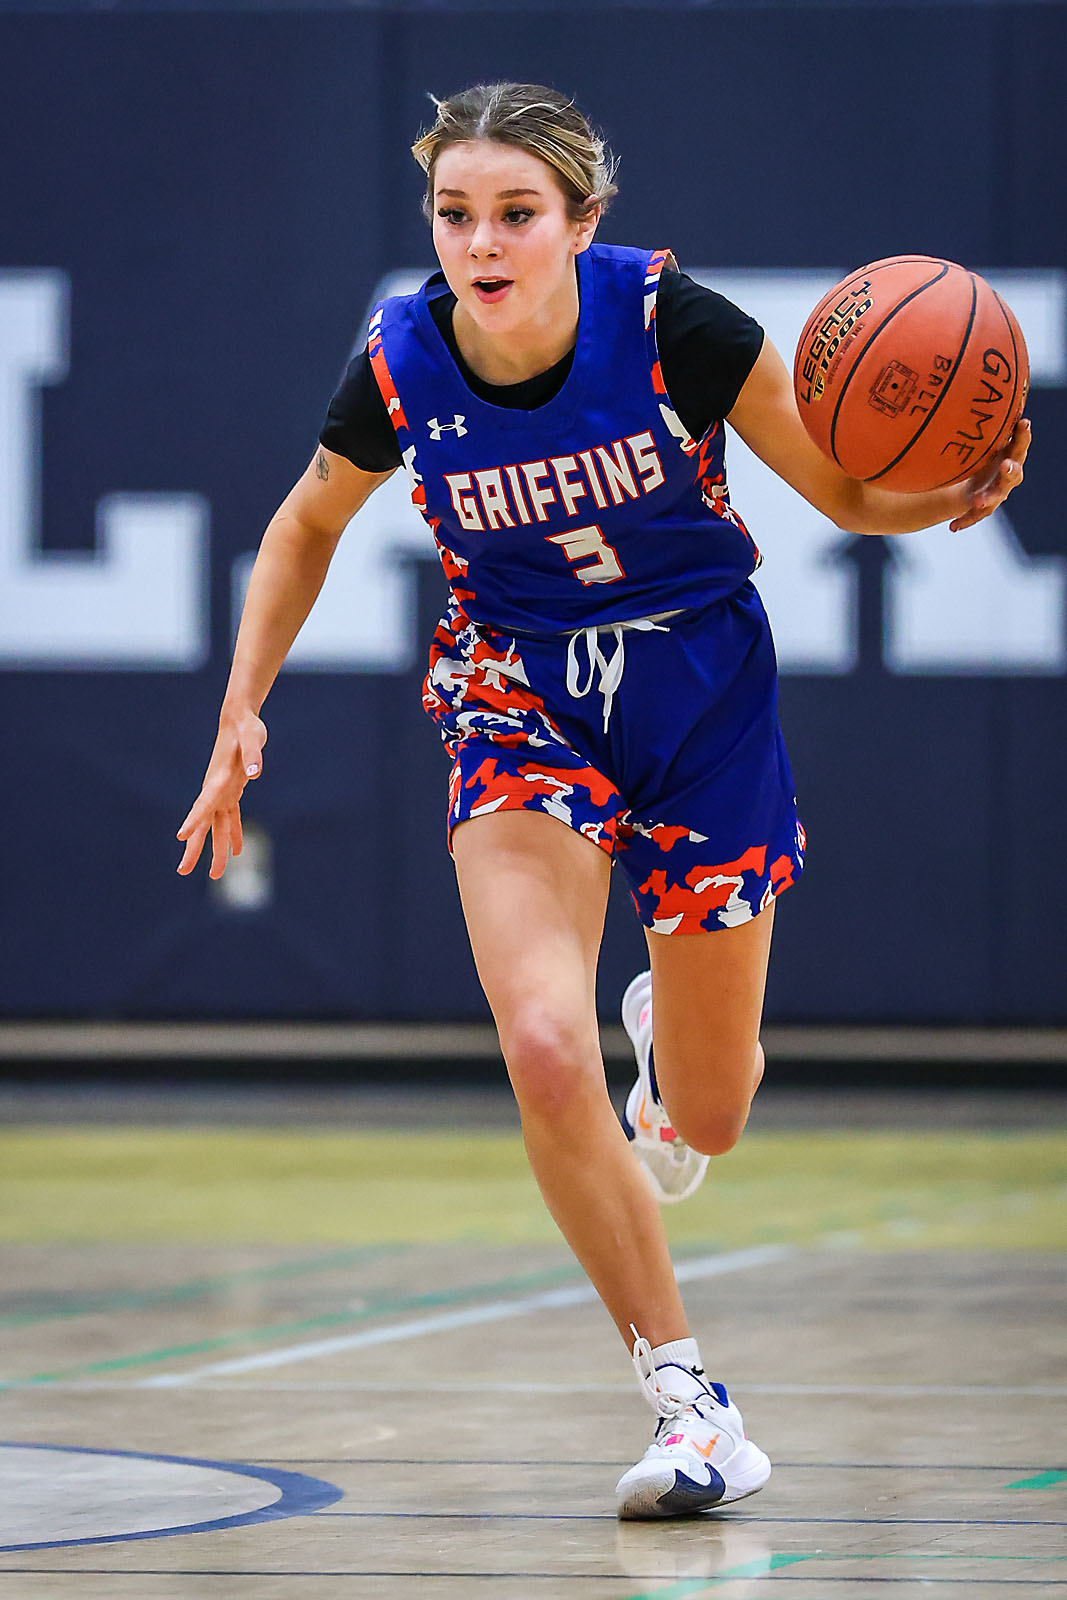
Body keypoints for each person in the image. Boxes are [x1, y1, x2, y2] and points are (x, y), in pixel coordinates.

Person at [176, 82, 1029, 1518]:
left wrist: (948, 496)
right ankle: (691, 1406)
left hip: (701, 695)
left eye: (516, 213)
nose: (482, 242)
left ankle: (675, 1052)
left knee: (713, 1106)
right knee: (541, 1048)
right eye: (456, 214)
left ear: (582, 223)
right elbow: (306, 520)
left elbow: (843, 494)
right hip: (519, 698)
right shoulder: (397, 361)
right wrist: (238, 705)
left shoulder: (670, 326)